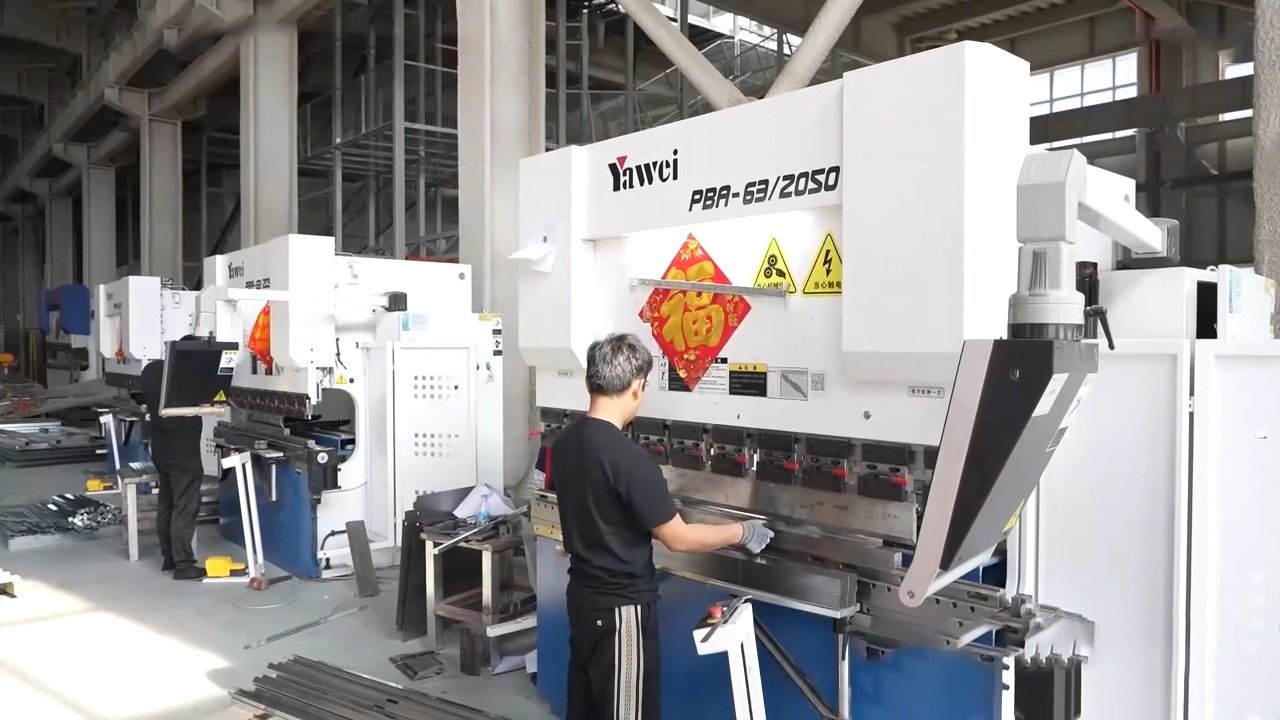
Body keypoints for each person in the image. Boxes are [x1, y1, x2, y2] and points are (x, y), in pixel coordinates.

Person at [550, 333, 774, 720]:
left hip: (584, 599)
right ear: (637, 386)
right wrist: (742, 532)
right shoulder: (629, 459)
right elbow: (678, 537)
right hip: (621, 611)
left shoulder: (565, 443)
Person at [139, 356, 207, 581]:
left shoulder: (152, 370)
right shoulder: (185, 378)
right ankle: (184, 564)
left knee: (167, 502)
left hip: (161, 449)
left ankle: (169, 557)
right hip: (183, 451)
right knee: (185, 506)